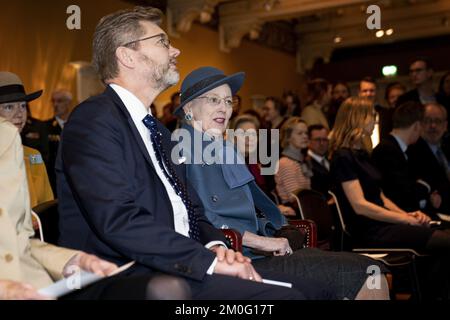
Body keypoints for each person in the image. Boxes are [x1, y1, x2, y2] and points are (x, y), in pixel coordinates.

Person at [56, 6, 330, 300]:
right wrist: (207, 262)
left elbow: (192, 211)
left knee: (314, 290)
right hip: (125, 276)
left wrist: (218, 249)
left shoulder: (157, 131)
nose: (174, 51)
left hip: (176, 267)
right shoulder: (94, 120)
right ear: (127, 56)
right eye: (162, 42)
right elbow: (118, 220)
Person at [174, 66, 390, 300]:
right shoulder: (182, 151)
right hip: (239, 258)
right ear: (189, 108)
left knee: (372, 271)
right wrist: (262, 241)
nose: (224, 108)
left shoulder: (224, 149)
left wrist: (278, 228)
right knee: (370, 274)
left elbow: (251, 206)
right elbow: (196, 219)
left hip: (264, 250)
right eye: (214, 99)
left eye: (228, 101)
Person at [0, 117, 191, 300]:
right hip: (17, 290)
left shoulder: (6, 135)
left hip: (33, 287)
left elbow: (17, 244)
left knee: (168, 288)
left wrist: (70, 260)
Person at [329, 97, 450, 253]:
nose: (375, 121)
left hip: (383, 224)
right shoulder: (343, 157)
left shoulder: (362, 154)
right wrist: (404, 219)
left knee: (444, 235)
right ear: (358, 118)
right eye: (372, 116)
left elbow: (382, 198)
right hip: (369, 229)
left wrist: (407, 215)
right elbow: (360, 206)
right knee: (444, 240)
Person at [372, 102, 440, 215]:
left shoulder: (400, 148)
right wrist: (426, 187)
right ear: (417, 126)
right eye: (422, 126)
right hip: (397, 217)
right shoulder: (386, 150)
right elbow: (404, 194)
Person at [0, 72, 54, 208]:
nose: (19, 114)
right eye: (9, 107)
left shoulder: (34, 156)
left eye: (23, 106)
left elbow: (46, 205)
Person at [408, 103, 450, 215]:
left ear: (445, 125)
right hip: (436, 213)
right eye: (427, 121)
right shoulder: (412, 150)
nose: (433, 125)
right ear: (419, 124)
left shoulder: (447, 146)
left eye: (438, 121)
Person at [275, 117, 312, 208]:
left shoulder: (301, 161)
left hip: (305, 208)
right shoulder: (286, 163)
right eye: (300, 133)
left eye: (306, 133)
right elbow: (295, 197)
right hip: (295, 214)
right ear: (288, 137)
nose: (305, 136)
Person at [307, 124, 331, 197]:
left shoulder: (332, 158)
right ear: (308, 141)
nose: (322, 143)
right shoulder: (305, 162)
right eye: (317, 140)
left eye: (325, 140)